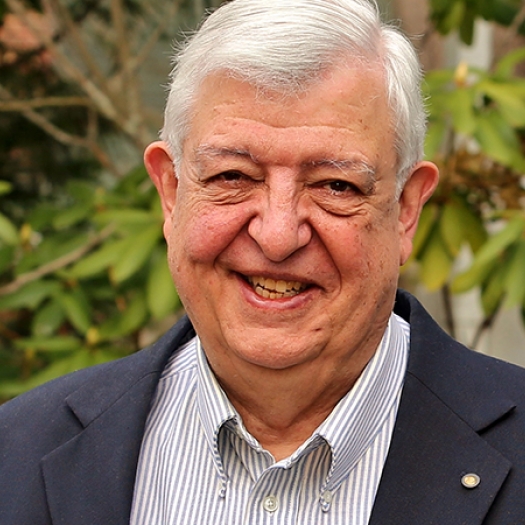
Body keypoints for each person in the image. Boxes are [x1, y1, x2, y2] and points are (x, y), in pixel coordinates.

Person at [1, 0, 525, 523]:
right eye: (232, 176)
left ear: (406, 210)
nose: (277, 236)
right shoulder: (18, 456)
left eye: (334, 186)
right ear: (170, 191)